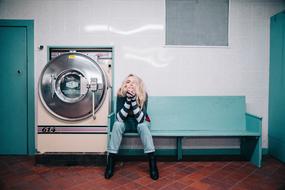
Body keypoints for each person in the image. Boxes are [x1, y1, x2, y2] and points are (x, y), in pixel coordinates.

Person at [104, 74, 159, 180]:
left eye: (134, 82)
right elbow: (119, 118)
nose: (130, 84)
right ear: (125, 84)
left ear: (138, 85)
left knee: (143, 126)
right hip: (126, 122)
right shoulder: (121, 95)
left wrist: (133, 100)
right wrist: (128, 100)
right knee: (117, 124)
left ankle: (152, 162)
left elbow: (140, 119)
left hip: (141, 122)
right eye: (128, 81)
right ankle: (111, 161)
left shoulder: (144, 95)